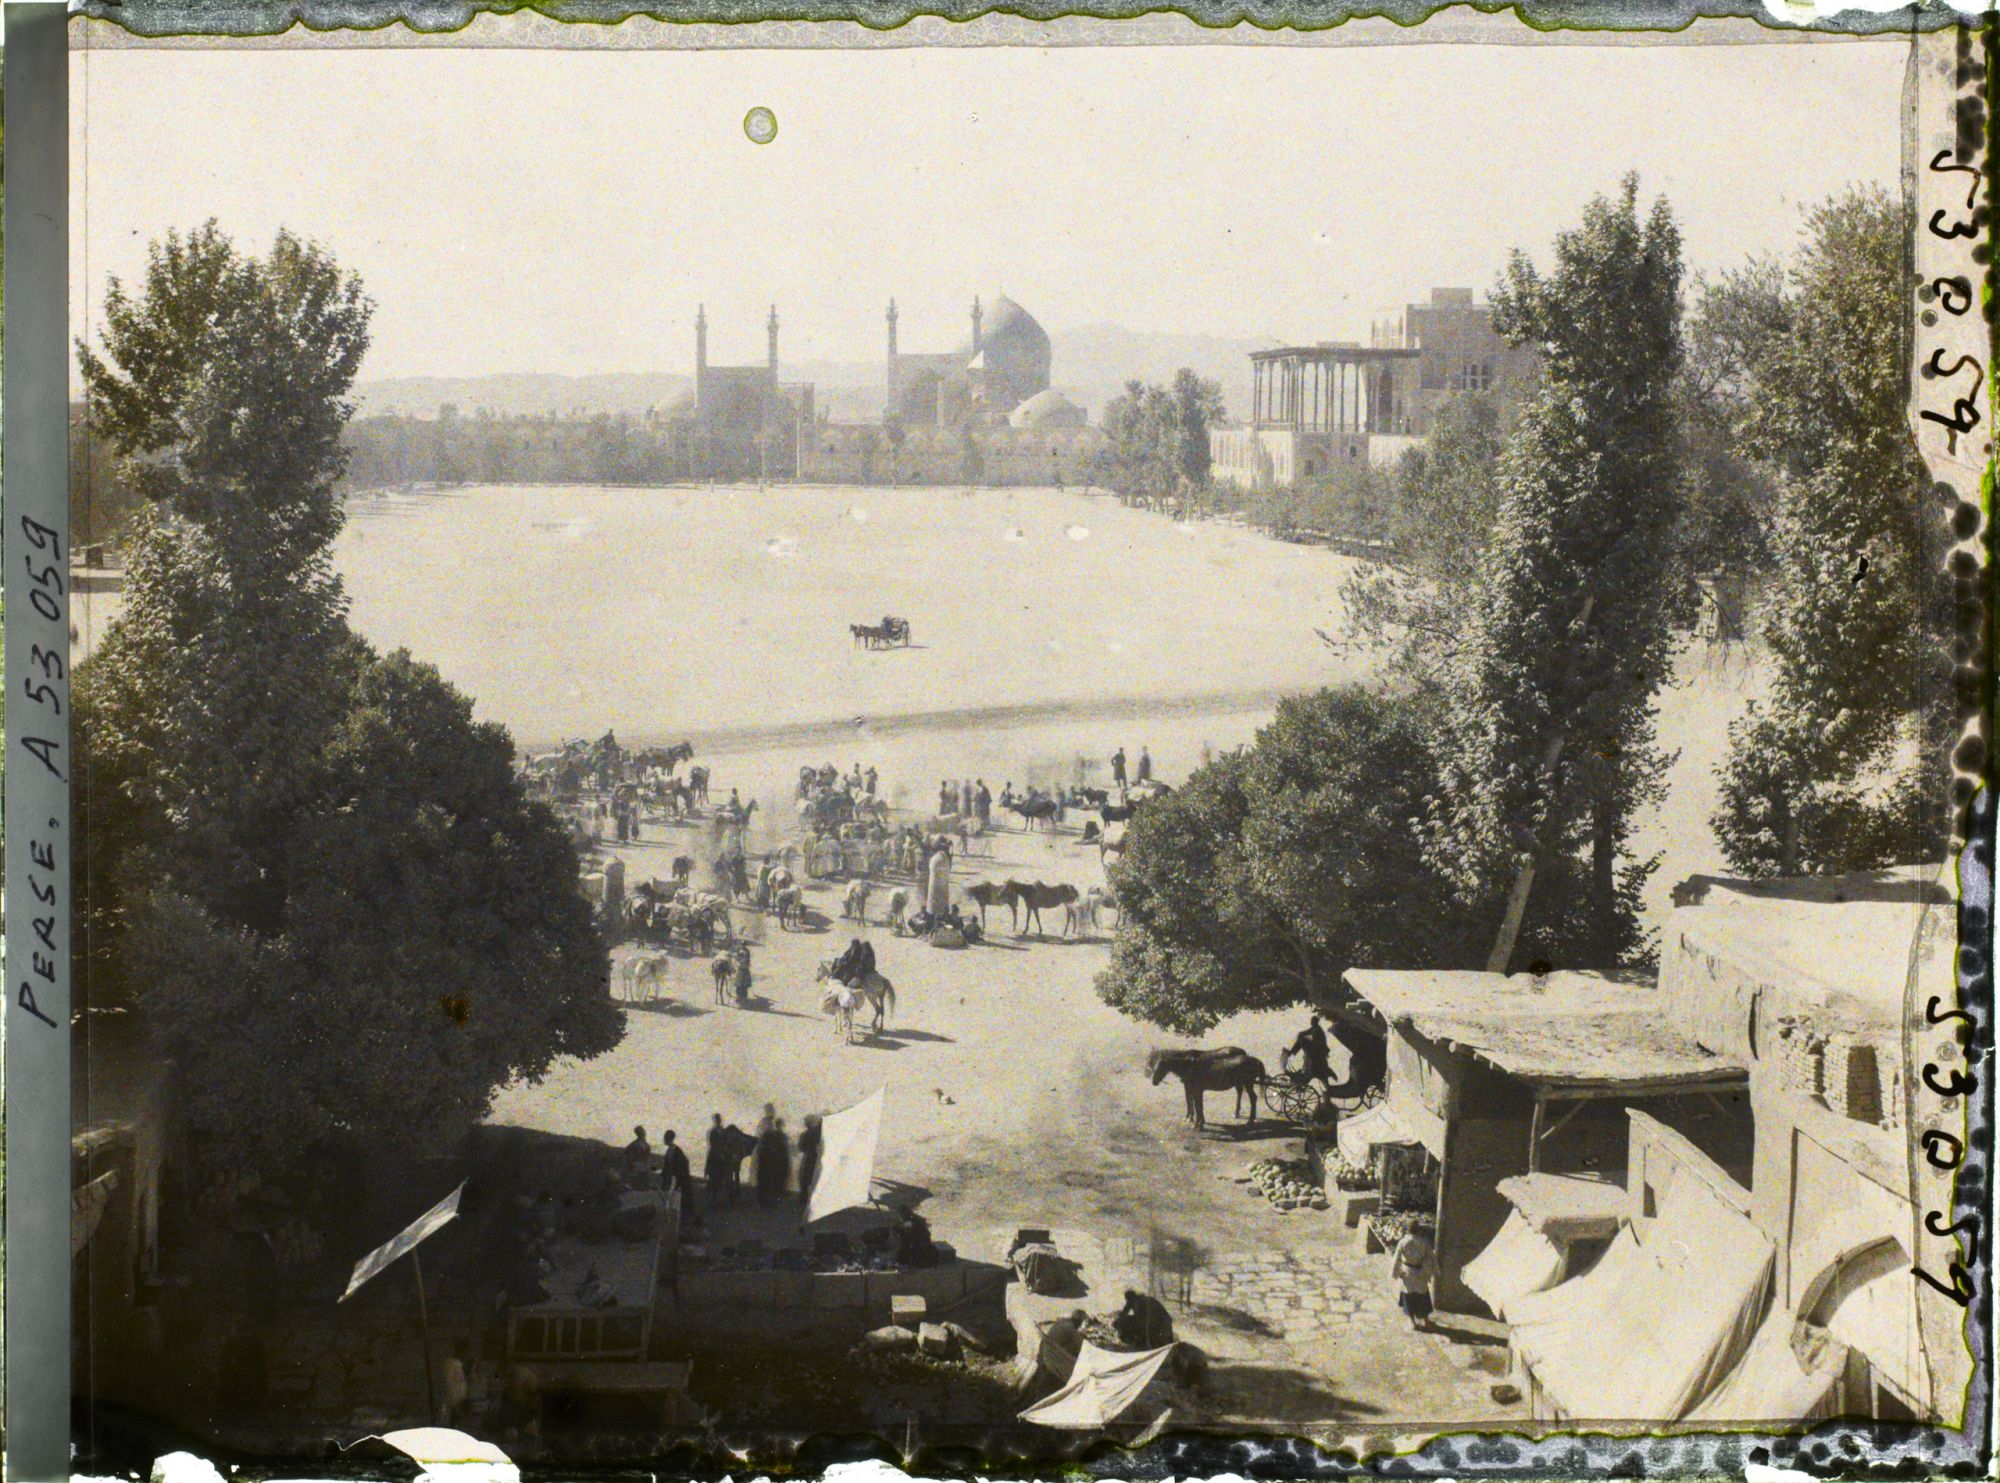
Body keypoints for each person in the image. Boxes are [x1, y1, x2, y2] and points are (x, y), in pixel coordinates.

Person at [1392, 1226, 1437, 1330]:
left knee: (1409, 1297)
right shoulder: (1424, 1242)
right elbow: (1431, 1256)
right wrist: (1433, 1271)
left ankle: (1412, 1322)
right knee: (1423, 1296)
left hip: (1407, 1272)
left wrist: (1396, 1273)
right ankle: (1426, 1320)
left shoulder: (1403, 1242)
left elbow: (1396, 1259)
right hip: (1420, 1272)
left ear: (1408, 1230)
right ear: (1418, 1230)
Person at [1287, 1014, 1335, 1089]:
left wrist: (1303, 1039)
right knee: (1301, 1039)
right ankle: (1292, 1054)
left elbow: (1315, 1044)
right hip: (1317, 1050)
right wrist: (1301, 1034)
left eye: (1312, 1021)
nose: (1311, 1023)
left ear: (1315, 1022)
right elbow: (1306, 1032)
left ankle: (1291, 1054)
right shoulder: (1314, 1028)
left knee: (1301, 1041)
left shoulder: (1317, 1030)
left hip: (1317, 1051)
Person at [755, 1113, 791, 1206]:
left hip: (767, 1160)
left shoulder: (769, 1135)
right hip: (772, 1161)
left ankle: (764, 1200)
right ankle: (769, 1199)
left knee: (766, 1180)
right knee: (771, 1180)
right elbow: (783, 1149)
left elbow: (761, 1148)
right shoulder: (779, 1135)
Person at [660, 1129, 693, 1226]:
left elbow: (672, 1165)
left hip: (675, 1178)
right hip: (675, 1176)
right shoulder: (675, 1149)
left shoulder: (673, 1150)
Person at [796, 1113, 824, 1213]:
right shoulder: (818, 1133)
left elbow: (800, 1147)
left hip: (808, 1157)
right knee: (815, 1178)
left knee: (805, 1178)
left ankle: (803, 1197)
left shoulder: (804, 1134)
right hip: (816, 1158)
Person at [442, 1341, 473, 1428]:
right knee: (455, 1424)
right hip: (456, 1400)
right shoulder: (454, 1365)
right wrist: (455, 1403)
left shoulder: (455, 1364)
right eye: (466, 1352)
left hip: (459, 1399)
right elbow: (452, 1384)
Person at [704, 1113, 733, 1206]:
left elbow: (727, 1143)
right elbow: (712, 1145)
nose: (718, 1121)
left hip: (723, 1157)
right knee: (714, 1178)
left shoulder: (723, 1131)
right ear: (714, 1121)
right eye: (716, 1120)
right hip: (715, 1157)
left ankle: (728, 1200)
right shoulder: (712, 1131)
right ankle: (713, 1200)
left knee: (726, 1177)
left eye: (719, 1120)